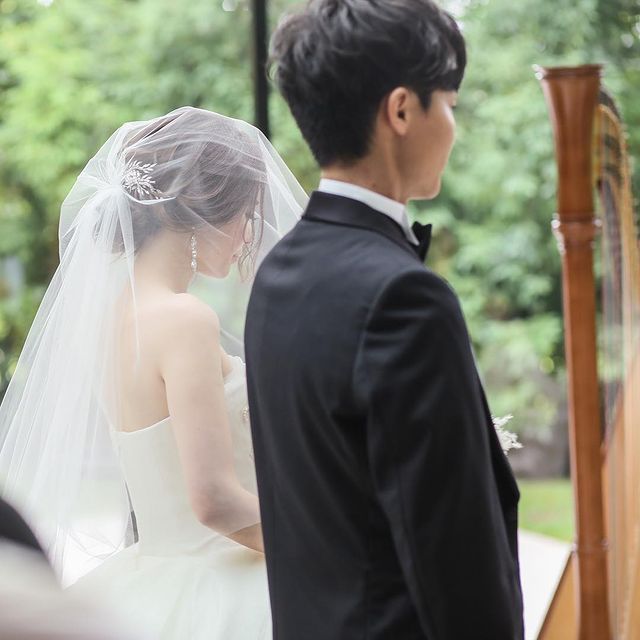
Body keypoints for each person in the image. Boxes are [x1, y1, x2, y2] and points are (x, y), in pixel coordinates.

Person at [245, 1, 524, 638]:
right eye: (449, 103)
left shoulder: (278, 273)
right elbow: (455, 562)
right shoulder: (405, 297)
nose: (453, 127)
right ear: (401, 111)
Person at [0, 106, 307, 638]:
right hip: (219, 579)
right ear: (203, 212)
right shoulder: (184, 319)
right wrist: (320, 543)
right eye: (244, 214)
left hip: (152, 573)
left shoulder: (114, 316)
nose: (247, 235)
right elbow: (212, 499)